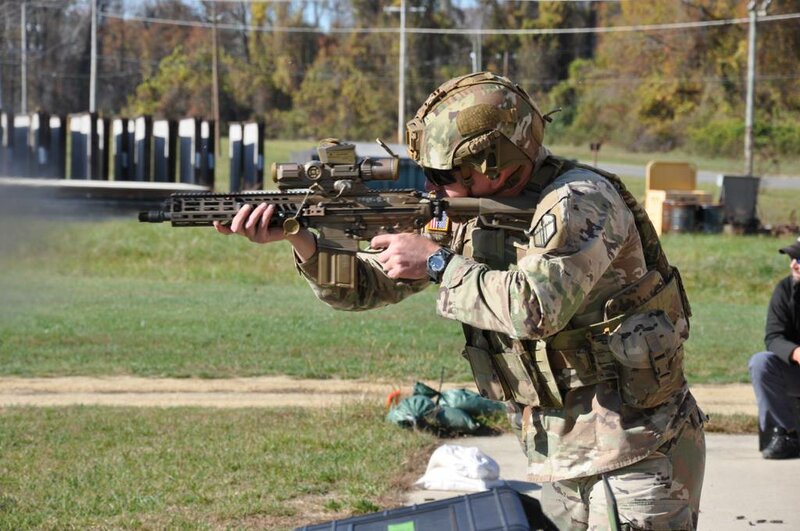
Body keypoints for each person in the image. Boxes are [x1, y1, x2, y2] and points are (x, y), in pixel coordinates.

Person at [216, 72, 706, 530]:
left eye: (443, 172)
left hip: (636, 452)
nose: (432, 185)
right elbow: (364, 288)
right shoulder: (466, 212)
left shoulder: (579, 200)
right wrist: (301, 239)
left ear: (495, 160)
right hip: (566, 455)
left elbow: (535, 308)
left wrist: (436, 263)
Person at [748, 237, 800, 459]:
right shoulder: (785, 289)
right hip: (795, 372)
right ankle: (784, 434)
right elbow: (773, 337)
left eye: (799, 259)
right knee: (761, 362)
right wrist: (795, 352)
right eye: (792, 258)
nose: (793, 264)